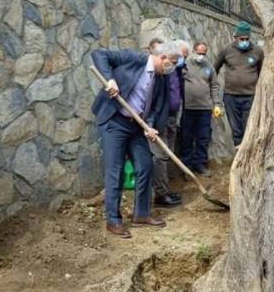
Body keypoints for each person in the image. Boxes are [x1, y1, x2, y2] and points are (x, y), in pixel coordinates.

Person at [91, 40, 179, 239]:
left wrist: (151, 125)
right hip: (115, 122)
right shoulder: (134, 59)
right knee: (116, 170)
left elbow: (157, 106)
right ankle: (113, 220)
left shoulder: (161, 78)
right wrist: (110, 80)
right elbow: (99, 54)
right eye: (172, 62)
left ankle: (142, 214)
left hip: (136, 126)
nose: (172, 67)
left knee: (146, 165)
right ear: (163, 57)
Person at [214, 21, 264, 147]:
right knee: (236, 129)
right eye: (242, 39)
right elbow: (215, 69)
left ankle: (248, 154)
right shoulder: (226, 50)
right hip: (231, 95)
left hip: (250, 95)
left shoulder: (257, 51)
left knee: (249, 127)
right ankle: (238, 154)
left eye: (247, 39)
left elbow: (262, 72)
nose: (244, 41)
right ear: (236, 37)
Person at [147, 38, 183, 208]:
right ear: (163, 57)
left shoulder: (170, 71)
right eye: (175, 61)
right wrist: (151, 124)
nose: (176, 64)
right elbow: (154, 102)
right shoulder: (157, 73)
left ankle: (164, 191)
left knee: (165, 155)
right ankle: (160, 195)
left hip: (168, 118)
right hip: (156, 121)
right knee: (159, 157)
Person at [181, 42, 222, 176]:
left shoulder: (209, 67)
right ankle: (186, 166)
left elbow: (214, 86)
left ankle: (201, 164)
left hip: (204, 108)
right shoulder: (185, 65)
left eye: (204, 54)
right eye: (199, 53)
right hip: (188, 108)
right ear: (193, 51)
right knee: (186, 137)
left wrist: (216, 104)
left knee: (203, 137)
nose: (201, 56)